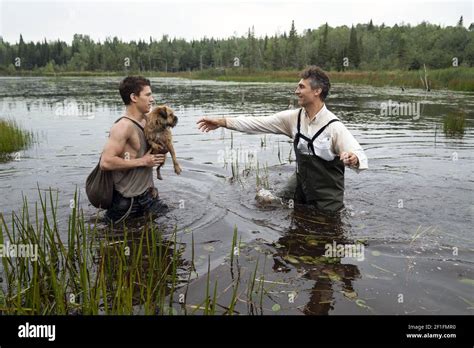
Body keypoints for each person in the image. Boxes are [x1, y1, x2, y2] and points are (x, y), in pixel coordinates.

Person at [197, 66, 368, 213]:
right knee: (266, 202)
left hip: (327, 195)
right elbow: (258, 123)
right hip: (300, 182)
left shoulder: (334, 126)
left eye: (301, 87)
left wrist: (353, 158)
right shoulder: (292, 119)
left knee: (327, 225)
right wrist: (223, 122)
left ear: (317, 91)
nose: (296, 91)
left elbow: (358, 153)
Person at [100, 76, 168, 224]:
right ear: (134, 97)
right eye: (148, 95)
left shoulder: (148, 120)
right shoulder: (123, 127)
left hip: (149, 197)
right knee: (113, 241)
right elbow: (106, 162)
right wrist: (143, 161)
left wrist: (161, 151)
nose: (152, 99)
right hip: (127, 204)